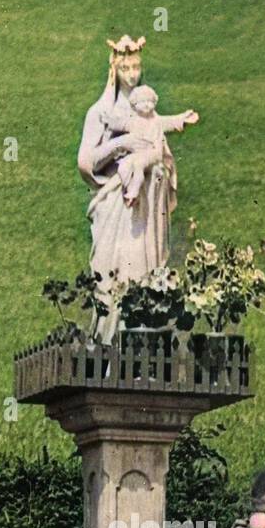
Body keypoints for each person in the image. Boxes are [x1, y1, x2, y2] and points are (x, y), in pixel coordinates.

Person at [77, 34, 194, 340]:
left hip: (150, 209)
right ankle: (108, 349)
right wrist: (122, 144)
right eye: (125, 68)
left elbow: (162, 152)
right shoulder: (101, 113)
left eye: (136, 67)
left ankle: (143, 349)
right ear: (113, 70)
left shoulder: (148, 114)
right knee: (115, 278)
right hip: (117, 205)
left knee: (145, 276)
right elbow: (86, 162)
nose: (132, 74)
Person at [106, 84, 198, 207]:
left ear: (154, 102)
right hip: (138, 152)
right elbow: (119, 124)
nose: (146, 104)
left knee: (139, 164)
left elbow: (172, 121)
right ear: (134, 104)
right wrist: (106, 121)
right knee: (124, 165)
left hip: (154, 152)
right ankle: (129, 191)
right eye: (142, 101)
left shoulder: (157, 121)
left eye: (149, 101)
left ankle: (134, 191)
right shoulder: (133, 121)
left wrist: (184, 118)